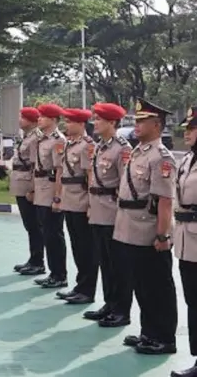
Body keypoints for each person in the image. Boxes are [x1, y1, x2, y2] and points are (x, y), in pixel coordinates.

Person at [115, 98, 178, 355]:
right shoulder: (139, 151)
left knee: (157, 286)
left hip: (149, 230)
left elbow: (165, 200)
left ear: (157, 125)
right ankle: (148, 331)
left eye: (142, 121)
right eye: (136, 121)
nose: (137, 125)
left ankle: (164, 338)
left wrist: (162, 235)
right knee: (141, 285)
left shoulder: (161, 157)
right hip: (130, 227)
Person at [88, 102, 133, 327]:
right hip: (98, 211)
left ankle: (121, 310)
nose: (95, 123)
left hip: (113, 211)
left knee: (118, 264)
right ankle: (110, 303)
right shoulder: (100, 146)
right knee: (105, 262)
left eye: (99, 119)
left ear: (112, 123)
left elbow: (126, 183)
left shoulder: (122, 148)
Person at [56, 108, 97, 305]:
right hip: (69, 201)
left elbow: (90, 176)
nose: (67, 125)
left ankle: (87, 290)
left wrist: (90, 203)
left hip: (81, 202)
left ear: (81, 124)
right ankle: (80, 286)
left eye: (70, 122)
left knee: (85, 248)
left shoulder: (87, 146)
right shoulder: (70, 144)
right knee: (77, 247)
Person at [171, 106, 197, 377]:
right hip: (187, 240)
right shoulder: (188, 159)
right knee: (193, 300)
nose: (186, 133)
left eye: (191, 129)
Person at [32, 103, 68, 289]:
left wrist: (57, 197)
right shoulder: (43, 139)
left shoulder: (58, 141)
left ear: (53, 120)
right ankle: (53, 272)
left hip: (51, 189)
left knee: (54, 234)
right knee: (47, 233)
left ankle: (60, 275)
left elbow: (60, 170)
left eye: (43, 116)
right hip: (41, 189)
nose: (39, 119)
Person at [10, 107, 44, 276]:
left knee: (34, 225)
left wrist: (33, 188)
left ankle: (38, 261)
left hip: (27, 185)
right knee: (29, 225)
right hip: (20, 183)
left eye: (22, 118)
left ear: (31, 121)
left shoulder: (35, 138)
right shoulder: (28, 137)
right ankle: (33, 259)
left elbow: (34, 166)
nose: (19, 120)